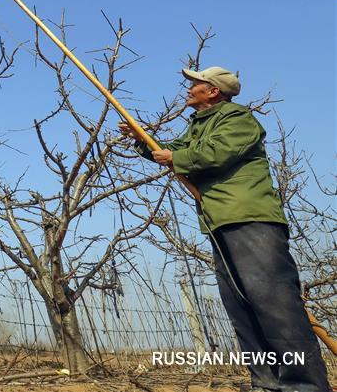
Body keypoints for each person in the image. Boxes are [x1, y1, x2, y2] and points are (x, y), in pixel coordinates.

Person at [119, 66, 331, 392]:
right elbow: (170, 149)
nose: (189, 88)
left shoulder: (237, 119)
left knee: (274, 305)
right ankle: (267, 383)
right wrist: (141, 140)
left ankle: (305, 385)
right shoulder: (198, 127)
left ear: (213, 91)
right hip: (219, 223)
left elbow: (215, 153)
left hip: (251, 220)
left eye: (195, 84)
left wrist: (174, 156)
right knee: (242, 308)